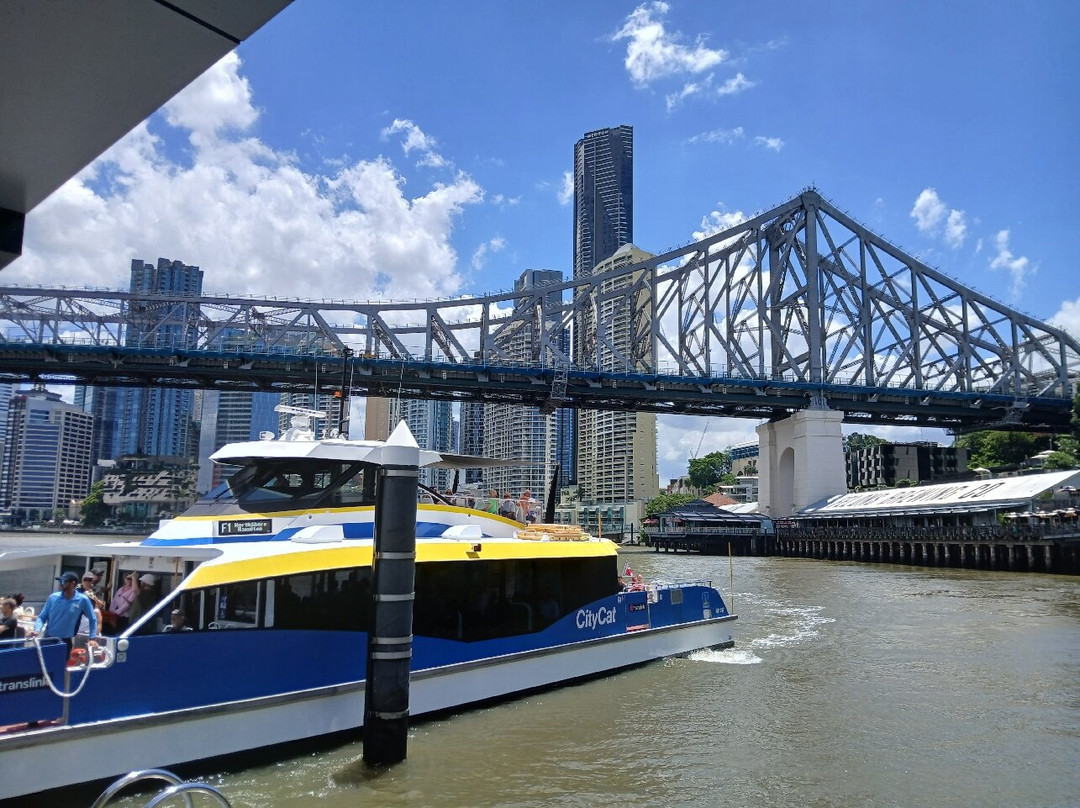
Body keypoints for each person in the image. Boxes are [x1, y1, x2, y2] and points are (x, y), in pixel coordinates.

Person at [33, 572, 97, 652]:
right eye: (60, 581)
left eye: (63, 581)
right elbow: (42, 617)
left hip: (65, 641)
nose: (60, 584)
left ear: (72, 583)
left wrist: (92, 638)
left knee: (61, 664)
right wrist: (36, 630)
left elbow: (93, 619)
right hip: (48, 639)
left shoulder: (83, 599)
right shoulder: (52, 598)